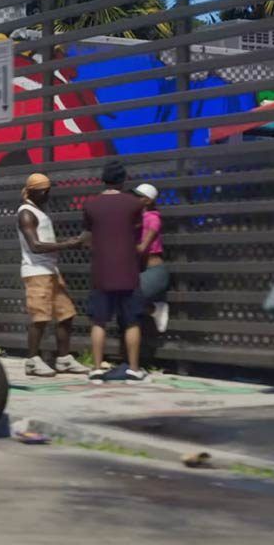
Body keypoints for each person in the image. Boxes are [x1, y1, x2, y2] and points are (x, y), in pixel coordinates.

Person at [81, 161, 147, 384]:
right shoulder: (134, 204)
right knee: (132, 321)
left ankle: (97, 369)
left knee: (99, 321)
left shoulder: (91, 205)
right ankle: (134, 370)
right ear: (123, 180)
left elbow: (88, 236)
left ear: (103, 179)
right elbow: (137, 232)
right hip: (128, 269)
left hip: (101, 271)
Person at [16, 173, 88, 377]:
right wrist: (67, 244)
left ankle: (63, 359)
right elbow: (35, 246)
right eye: (44, 192)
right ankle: (32, 360)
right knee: (39, 317)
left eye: (48, 191)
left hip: (50, 271)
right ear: (34, 192)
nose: (48, 195)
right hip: (36, 272)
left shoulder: (38, 211)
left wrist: (68, 243)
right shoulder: (26, 213)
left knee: (66, 314)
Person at [133, 184, 170, 335]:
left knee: (127, 296)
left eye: (138, 196)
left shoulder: (153, 218)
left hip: (155, 271)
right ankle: (154, 310)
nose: (134, 199)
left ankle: (155, 309)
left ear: (148, 200)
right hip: (142, 270)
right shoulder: (138, 218)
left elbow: (142, 248)